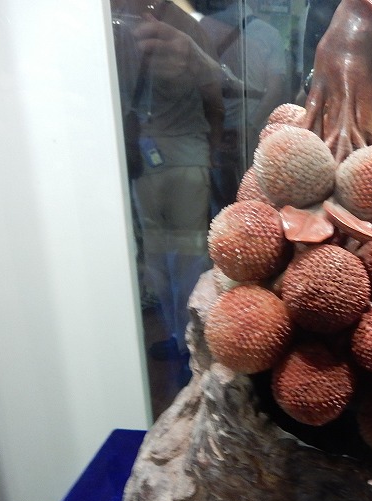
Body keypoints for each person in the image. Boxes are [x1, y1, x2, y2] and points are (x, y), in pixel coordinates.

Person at [111, 0, 224, 375]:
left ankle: (186, 338)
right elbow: (215, 100)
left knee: (172, 254)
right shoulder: (177, 27)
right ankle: (183, 338)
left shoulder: (180, 29)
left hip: (167, 154)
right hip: (173, 154)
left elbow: (213, 93)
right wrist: (210, 150)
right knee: (173, 254)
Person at [201, 0, 290, 211]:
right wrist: (251, 126)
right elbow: (275, 89)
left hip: (216, 128)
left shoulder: (205, 27)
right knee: (254, 197)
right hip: (252, 128)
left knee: (219, 202)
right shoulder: (269, 33)